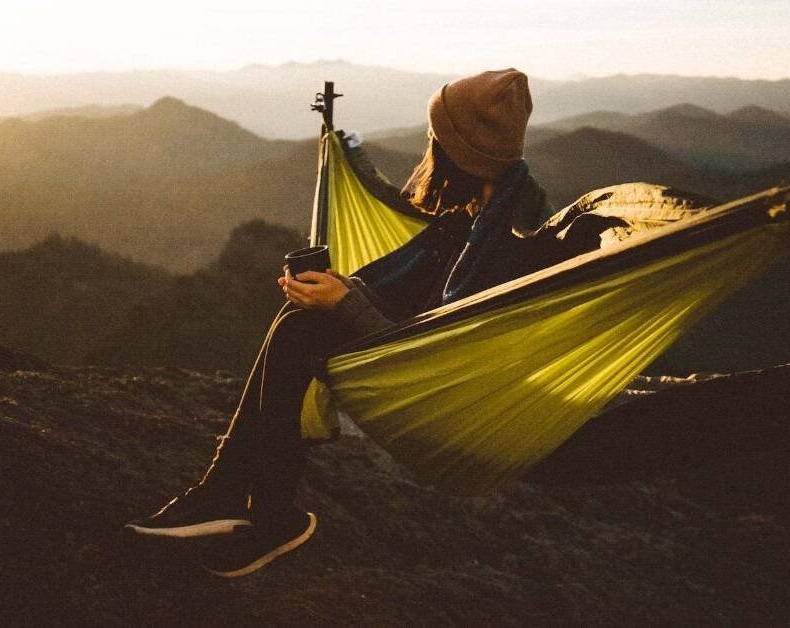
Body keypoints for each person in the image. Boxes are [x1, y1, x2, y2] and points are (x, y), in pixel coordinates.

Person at [125, 68, 554, 577]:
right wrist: (335, 291)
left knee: (301, 330)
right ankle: (239, 498)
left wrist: (344, 305)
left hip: (457, 385)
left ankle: (252, 505)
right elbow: (414, 304)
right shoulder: (474, 212)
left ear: (464, 153)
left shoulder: (508, 235)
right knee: (298, 317)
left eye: (438, 138)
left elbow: (446, 344)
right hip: (425, 353)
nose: (429, 149)